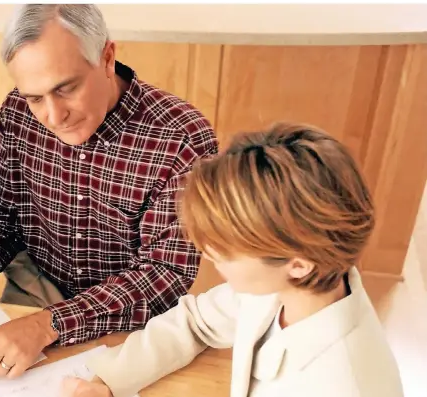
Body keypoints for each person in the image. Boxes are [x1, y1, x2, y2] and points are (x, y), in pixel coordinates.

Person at [0, 4, 218, 380]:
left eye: (66, 88)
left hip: (131, 322)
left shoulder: (181, 140)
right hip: (33, 293)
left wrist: (48, 325)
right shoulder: (17, 114)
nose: (54, 117)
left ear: (107, 57)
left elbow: (163, 276)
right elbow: (3, 219)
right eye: (35, 97)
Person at [61, 123, 404, 397]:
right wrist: (108, 379)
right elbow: (196, 322)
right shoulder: (290, 287)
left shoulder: (343, 384)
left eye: (224, 248)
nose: (207, 254)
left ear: (298, 264)